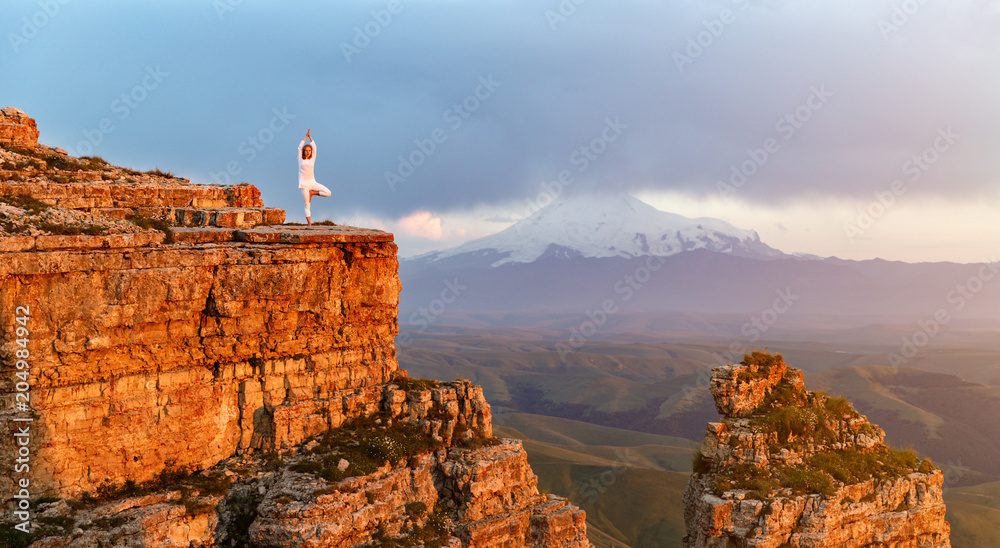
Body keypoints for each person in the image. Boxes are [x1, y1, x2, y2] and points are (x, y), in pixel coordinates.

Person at [298, 129, 331, 226]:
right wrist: (305, 138)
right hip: (304, 185)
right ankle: (309, 223)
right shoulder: (300, 159)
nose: (307, 152)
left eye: (309, 150)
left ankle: (312, 193)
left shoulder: (312, 159)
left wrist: (310, 137)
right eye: (306, 150)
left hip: (313, 183)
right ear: (304, 152)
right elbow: (299, 148)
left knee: (328, 193)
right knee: (307, 205)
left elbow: (315, 147)